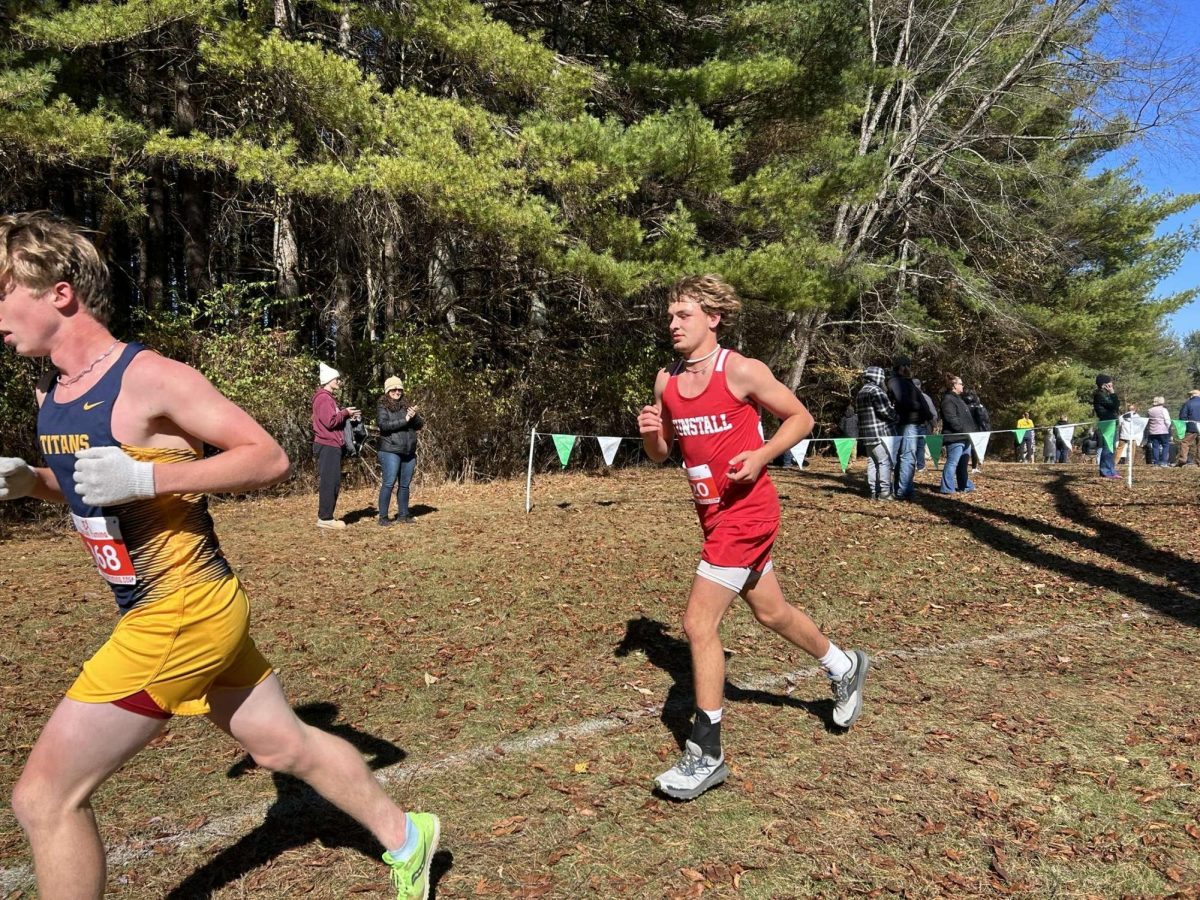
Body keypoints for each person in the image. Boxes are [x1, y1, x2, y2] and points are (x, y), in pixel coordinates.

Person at [0, 213, 438, 900]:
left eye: (1, 292)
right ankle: (410, 837)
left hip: (177, 612)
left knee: (43, 799)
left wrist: (149, 477)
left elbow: (268, 456)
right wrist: (35, 481)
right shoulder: (54, 396)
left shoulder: (147, 378)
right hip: (190, 608)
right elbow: (90, 490)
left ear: (58, 292)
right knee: (283, 747)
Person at [637, 274, 870, 801]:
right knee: (771, 612)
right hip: (712, 516)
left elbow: (800, 418)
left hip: (750, 512)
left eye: (684, 315)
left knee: (698, 623)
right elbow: (661, 453)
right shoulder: (665, 381)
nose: (672, 324)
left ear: (713, 319)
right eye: (670, 316)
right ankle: (843, 664)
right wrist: (652, 430)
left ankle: (706, 753)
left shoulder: (740, 370)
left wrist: (763, 455)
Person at [312, 363, 360, 528]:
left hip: (331, 445)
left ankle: (327, 517)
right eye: (337, 379)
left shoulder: (328, 398)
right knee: (330, 482)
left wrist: (347, 417)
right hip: (328, 445)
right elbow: (330, 421)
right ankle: (325, 518)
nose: (339, 382)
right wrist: (345, 412)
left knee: (333, 481)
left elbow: (334, 420)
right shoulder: (323, 398)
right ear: (329, 380)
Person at [376, 376, 424, 526]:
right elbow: (384, 426)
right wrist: (406, 419)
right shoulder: (382, 406)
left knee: (404, 484)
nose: (397, 392)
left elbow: (420, 424)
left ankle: (403, 514)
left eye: (400, 389)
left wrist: (414, 416)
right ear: (388, 391)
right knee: (389, 483)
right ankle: (383, 518)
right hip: (390, 450)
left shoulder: (405, 405)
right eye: (394, 389)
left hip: (408, 450)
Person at [887, 356, 929, 500]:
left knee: (907, 457)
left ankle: (902, 489)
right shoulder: (895, 381)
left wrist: (926, 413)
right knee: (908, 457)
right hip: (907, 424)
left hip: (914, 423)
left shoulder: (906, 382)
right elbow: (902, 400)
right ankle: (905, 491)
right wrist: (918, 407)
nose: (910, 369)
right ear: (902, 367)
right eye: (908, 366)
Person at [855, 365, 898, 500]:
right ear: (878, 377)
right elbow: (885, 412)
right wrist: (896, 415)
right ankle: (885, 492)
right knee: (884, 462)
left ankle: (873, 491)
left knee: (872, 462)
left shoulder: (861, 391)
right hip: (880, 433)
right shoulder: (876, 391)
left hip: (867, 433)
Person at [938, 375, 975, 494]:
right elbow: (951, 419)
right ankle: (947, 488)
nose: (962, 386)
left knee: (963, 464)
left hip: (965, 437)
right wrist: (961, 429)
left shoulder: (959, 399)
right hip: (955, 437)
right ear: (954, 385)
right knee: (952, 463)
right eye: (961, 383)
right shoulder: (948, 399)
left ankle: (965, 486)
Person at [1092, 374, 1121, 478]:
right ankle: (1106, 471)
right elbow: (1114, 405)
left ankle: (1111, 469)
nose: (1112, 384)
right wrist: (1113, 393)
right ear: (1104, 385)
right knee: (1107, 447)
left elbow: (1116, 407)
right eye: (1109, 382)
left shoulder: (1105, 394)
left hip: (1111, 422)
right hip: (1107, 423)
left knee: (1111, 447)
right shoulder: (1100, 395)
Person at [912, 377, 939, 469]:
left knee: (913, 446)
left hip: (911, 425)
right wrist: (934, 424)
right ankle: (920, 466)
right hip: (922, 424)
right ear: (920, 386)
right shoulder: (925, 397)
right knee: (920, 446)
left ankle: (914, 465)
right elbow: (932, 412)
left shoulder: (905, 396)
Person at [962, 389, 990, 472]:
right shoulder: (977, 406)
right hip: (975, 429)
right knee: (974, 448)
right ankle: (974, 466)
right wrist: (985, 429)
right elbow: (982, 418)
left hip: (964, 429)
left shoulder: (962, 405)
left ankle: (966, 466)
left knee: (965, 447)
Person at [1177, 389, 1200, 467]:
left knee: (1185, 443)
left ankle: (1183, 460)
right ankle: (1199, 461)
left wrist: (1184, 425)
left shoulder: (1188, 403)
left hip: (1191, 427)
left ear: (1192, 395)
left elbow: (1182, 416)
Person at [1114, 403, 1140, 468]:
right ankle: (1130, 463)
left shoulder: (1122, 417)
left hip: (1124, 435)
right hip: (1131, 435)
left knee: (1119, 449)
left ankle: (1115, 463)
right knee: (1132, 450)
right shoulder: (1137, 416)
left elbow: (1119, 426)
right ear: (1135, 409)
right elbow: (1139, 426)